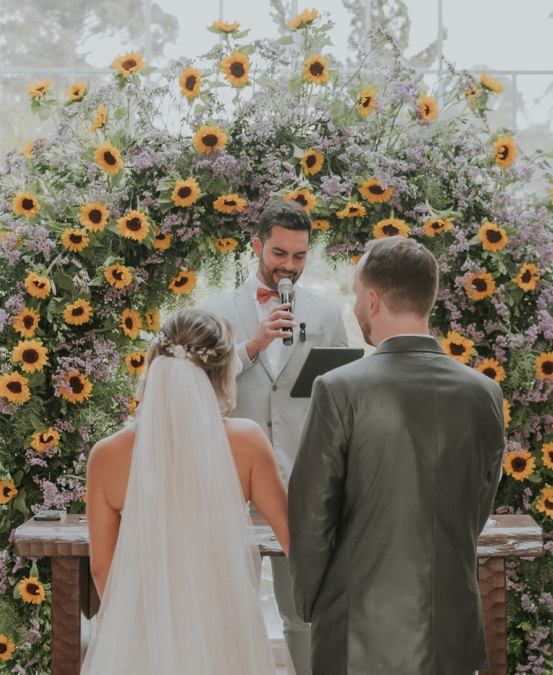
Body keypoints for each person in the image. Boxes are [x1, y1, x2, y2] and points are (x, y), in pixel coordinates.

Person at [288, 236, 507, 675]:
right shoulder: (486, 394)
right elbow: (476, 509)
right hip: (451, 629)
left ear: (372, 300)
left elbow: (312, 516)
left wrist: (309, 603)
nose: (353, 307)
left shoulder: (338, 389)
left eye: (354, 295)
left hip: (358, 631)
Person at [82, 308, 289, 675]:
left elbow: (101, 569)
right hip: (223, 629)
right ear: (223, 373)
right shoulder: (248, 443)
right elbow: (294, 538)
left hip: (143, 632)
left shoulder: (106, 455)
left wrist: (134, 632)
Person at [202, 198, 348, 675]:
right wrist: (250, 346)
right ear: (256, 246)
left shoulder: (327, 316)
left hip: (302, 490)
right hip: (230, 487)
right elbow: (196, 386)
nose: (289, 266)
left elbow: (340, 406)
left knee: (303, 614)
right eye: (280, 253)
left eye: (300, 256)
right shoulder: (216, 311)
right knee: (226, 611)